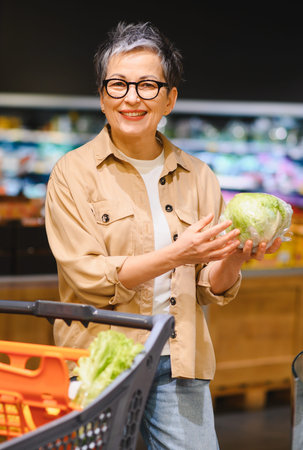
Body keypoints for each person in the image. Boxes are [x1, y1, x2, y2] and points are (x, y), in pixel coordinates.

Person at [45, 21, 281, 450]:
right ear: (102, 96)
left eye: (148, 86)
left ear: (170, 98)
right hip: (100, 356)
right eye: (117, 85)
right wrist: (177, 254)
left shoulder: (199, 176)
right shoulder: (71, 174)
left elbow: (210, 288)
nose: (131, 98)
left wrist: (235, 257)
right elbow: (89, 278)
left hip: (179, 356)